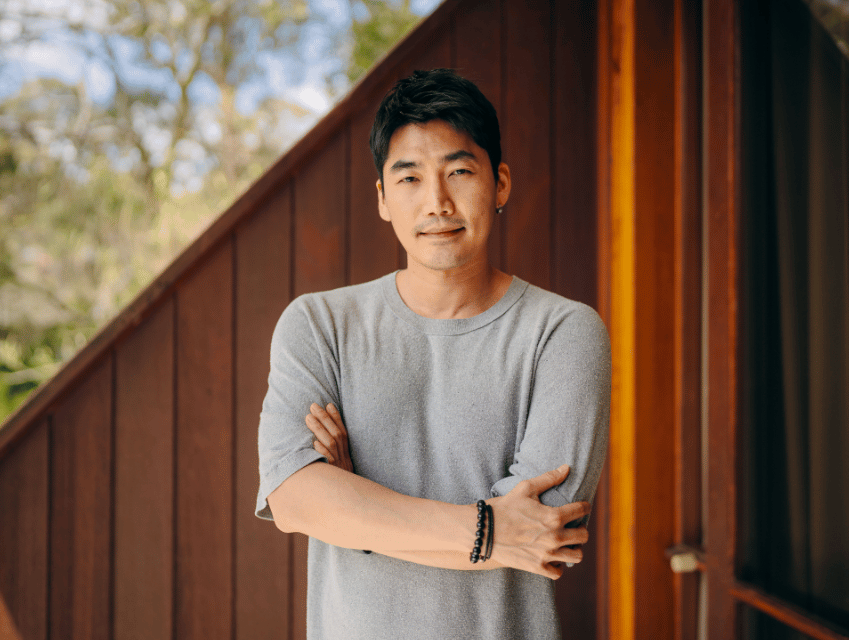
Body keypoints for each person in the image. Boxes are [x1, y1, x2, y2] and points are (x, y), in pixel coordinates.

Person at [256, 68, 610, 640]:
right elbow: (296, 500)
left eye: (460, 172)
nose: (437, 202)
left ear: (500, 184)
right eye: (410, 178)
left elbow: (540, 535)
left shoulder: (564, 332)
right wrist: (489, 531)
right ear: (382, 199)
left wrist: (354, 513)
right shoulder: (318, 324)